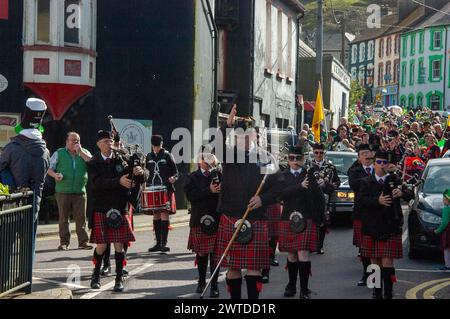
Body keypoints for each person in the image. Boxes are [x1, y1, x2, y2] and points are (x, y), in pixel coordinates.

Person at [213, 104, 280, 300]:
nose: (242, 139)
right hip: (231, 215)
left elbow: (278, 188)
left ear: (255, 136)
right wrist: (227, 125)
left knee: (253, 268)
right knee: (233, 268)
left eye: (247, 135)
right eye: (239, 135)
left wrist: (263, 198)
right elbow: (214, 146)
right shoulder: (228, 154)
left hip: (255, 216)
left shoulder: (266, 158)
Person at [87, 130, 146, 292]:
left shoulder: (122, 160)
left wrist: (139, 173)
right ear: (99, 144)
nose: (109, 144)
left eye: (110, 141)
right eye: (105, 141)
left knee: (119, 245)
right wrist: (118, 181)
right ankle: (96, 275)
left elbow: (138, 177)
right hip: (101, 207)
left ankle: (119, 279)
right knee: (101, 246)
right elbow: (96, 183)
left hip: (120, 206)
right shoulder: (93, 162)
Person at [0, 97, 50, 261]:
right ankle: (26, 281)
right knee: (29, 245)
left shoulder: (12, 149)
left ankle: (4, 280)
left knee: (6, 245)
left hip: (12, 203)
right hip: (34, 202)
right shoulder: (45, 152)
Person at [359, 150, 413, 299]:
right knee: (374, 262)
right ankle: (376, 293)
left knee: (387, 262)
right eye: (379, 162)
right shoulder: (366, 181)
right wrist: (378, 201)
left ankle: (388, 293)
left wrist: (402, 193)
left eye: (384, 163)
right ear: (374, 163)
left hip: (390, 225)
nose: (381, 165)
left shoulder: (395, 179)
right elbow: (361, 201)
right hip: (372, 225)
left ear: (388, 164)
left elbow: (411, 195)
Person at [277, 146, 325, 299]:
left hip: (306, 217)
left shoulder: (309, 174)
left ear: (303, 159)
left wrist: (320, 218)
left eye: (298, 158)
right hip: (288, 218)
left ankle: (304, 290)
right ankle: (291, 285)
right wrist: (299, 186)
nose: (295, 161)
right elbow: (279, 195)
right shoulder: (282, 175)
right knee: (291, 255)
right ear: (287, 159)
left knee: (303, 253)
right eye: (291, 158)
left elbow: (319, 197)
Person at [184, 150, 221, 298]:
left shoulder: (219, 175)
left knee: (215, 254)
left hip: (216, 218)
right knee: (202, 252)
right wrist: (209, 190)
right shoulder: (191, 177)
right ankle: (201, 281)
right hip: (199, 218)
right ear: (200, 161)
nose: (210, 160)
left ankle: (214, 285)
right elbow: (191, 197)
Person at [47, 132, 93, 250]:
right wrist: (55, 175)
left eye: (77, 140)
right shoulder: (59, 153)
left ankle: (83, 242)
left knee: (81, 218)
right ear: (66, 142)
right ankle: (64, 242)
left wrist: (81, 152)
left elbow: (93, 163)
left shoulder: (84, 152)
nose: (75, 143)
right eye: (73, 140)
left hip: (80, 191)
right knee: (63, 218)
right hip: (63, 191)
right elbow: (48, 168)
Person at [145, 135, 179, 252]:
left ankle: (163, 243)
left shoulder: (168, 155)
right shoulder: (148, 156)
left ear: (162, 144)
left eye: (158, 146)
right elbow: (146, 172)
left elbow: (176, 173)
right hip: (153, 189)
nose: (156, 148)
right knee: (156, 214)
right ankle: (157, 243)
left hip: (165, 189)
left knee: (164, 213)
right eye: (154, 146)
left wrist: (173, 178)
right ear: (152, 146)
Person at [348, 144, 374, 287]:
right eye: (363, 154)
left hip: (378, 213)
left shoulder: (379, 169)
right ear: (359, 158)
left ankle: (375, 278)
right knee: (364, 248)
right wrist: (373, 177)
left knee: (374, 249)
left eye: (368, 153)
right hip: (362, 213)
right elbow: (354, 185)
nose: (366, 156)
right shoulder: (355, 171)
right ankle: (366, 275)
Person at [310, 143, 340, 255]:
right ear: (313, 153)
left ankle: (319, 246)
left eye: (321, 153)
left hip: (324, 198)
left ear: (324, 153)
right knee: (310, 221)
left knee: (322, 222)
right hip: (310, 198)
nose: (318, 155)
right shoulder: (308, 166)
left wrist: (326, 184)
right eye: (316, 152)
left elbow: (337, 182)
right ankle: (311, 245)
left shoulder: (330, 167)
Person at [434, 189, 450, 271]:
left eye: (444, 199)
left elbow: (444, 223)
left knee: (446, 249)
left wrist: (437, 231)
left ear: (447, 200)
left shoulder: (446, 209)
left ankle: (447, 265)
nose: (443, 201)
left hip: (448, 232)